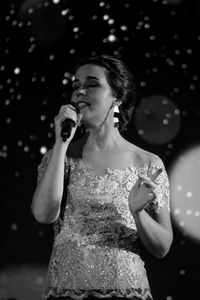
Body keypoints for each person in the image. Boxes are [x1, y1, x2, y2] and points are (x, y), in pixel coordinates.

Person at [31, 54, 173, 300]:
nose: (80, 92)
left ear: (117, 96)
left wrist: (137, 212)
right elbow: (44, 214)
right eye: (76, 86)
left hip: (127, 293)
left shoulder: (147, 163)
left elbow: (162, 248)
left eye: (92, 84)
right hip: (65, 292)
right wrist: (61, 144)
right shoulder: (60, 156)